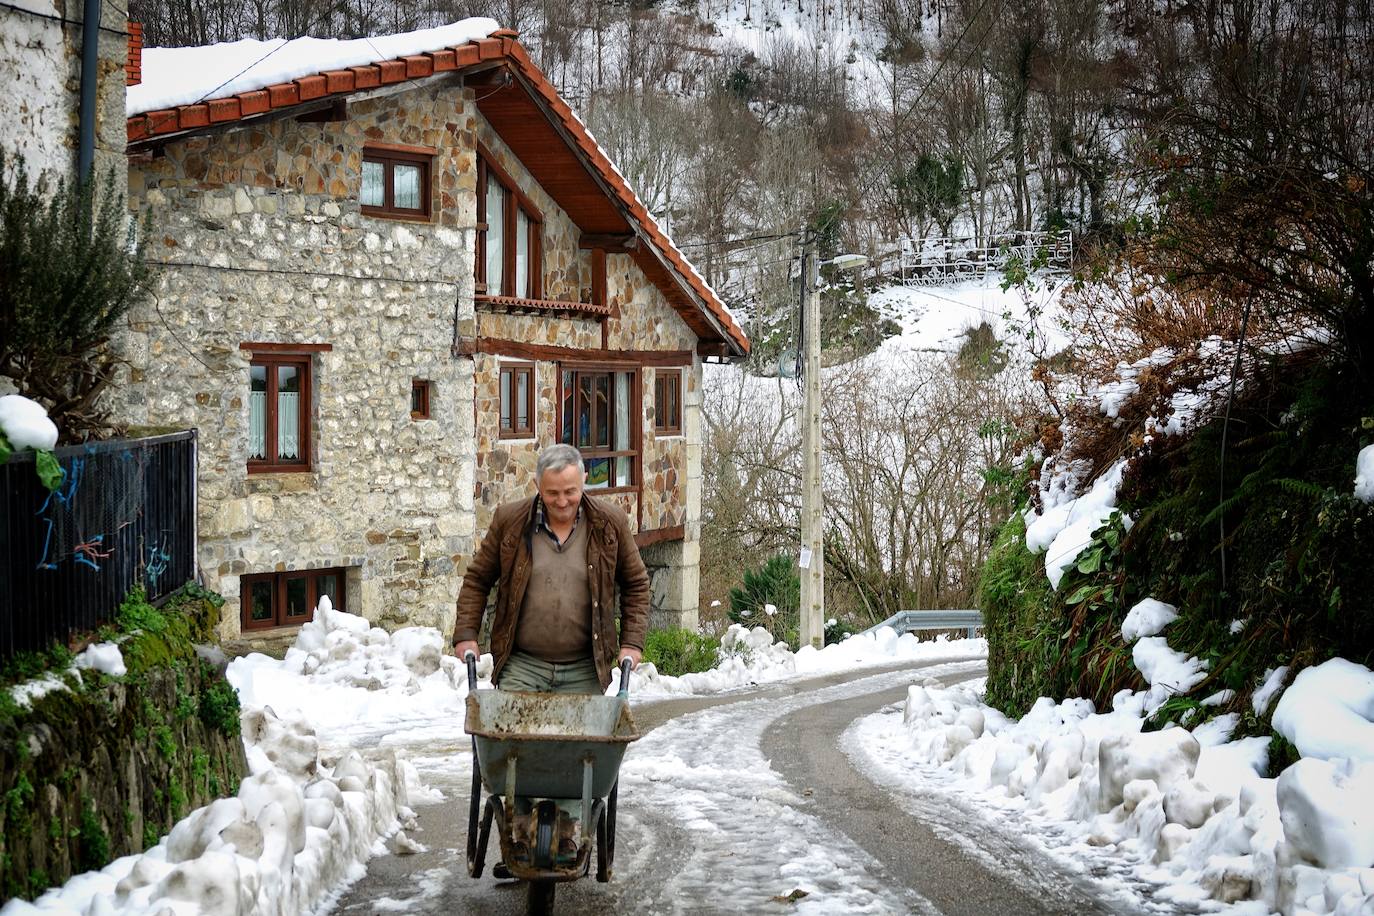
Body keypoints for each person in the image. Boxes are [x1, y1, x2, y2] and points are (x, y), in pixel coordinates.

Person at [453, 442, 649, 695]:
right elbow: (477, 580)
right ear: (537, 486)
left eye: (570, 491)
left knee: (576, 736)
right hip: (523, 665)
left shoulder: (609, 524)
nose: (562, 501)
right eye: (552, 493)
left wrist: (632, 642)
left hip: (584, 669)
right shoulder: (510, 522)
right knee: (515, 734)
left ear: (584, 481)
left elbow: (636, 585)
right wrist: (466, 633)